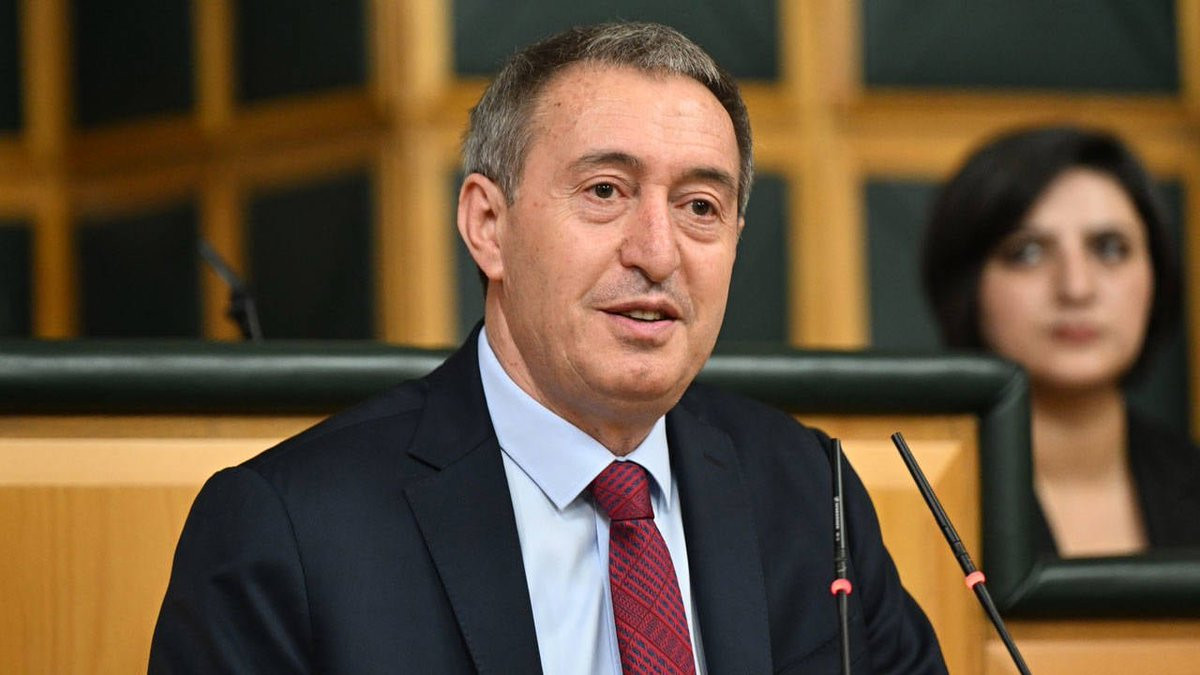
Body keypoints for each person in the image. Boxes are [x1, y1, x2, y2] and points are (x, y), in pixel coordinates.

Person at [151, 22, 946, 673]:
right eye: (605, 191)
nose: (658, 252)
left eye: (701, 206)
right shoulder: (291, 527)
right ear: (487, 226)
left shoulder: (809, 491)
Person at [922, 126, 1200, 558]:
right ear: (967, 286)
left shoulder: (1188, 476)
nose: (1076, 288)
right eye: (1028, 253)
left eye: (1110, 248)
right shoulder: (911, 494)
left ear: (1157, 274)